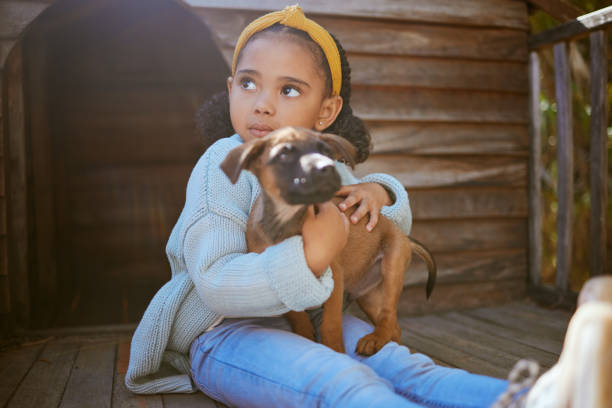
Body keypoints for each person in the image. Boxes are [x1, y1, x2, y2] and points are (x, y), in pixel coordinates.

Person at [125, 5, 611, 407]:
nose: (263, 104)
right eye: (249, 83)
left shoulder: (318, 166)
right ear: (230, 89)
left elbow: (378, 224)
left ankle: (538, 400)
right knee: (341, 381)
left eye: (288, 89)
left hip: (310, 318)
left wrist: (380, 191)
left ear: (326, 113)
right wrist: (308, 260)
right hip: (223, 335)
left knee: (406, 366)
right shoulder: (221, 167)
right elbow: (215, 284)